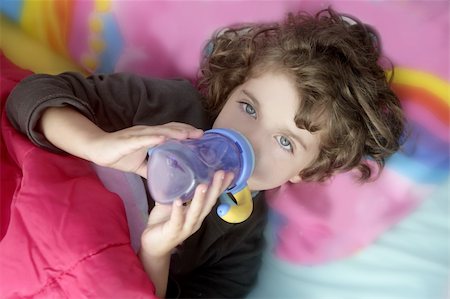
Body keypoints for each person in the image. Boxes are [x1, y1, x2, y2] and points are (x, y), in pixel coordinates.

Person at [5, 8, 404, 299]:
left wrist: (155, 253)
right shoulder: (170, 108)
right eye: (248, 107)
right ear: (232, 88)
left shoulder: (237, 244)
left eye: (285, 142)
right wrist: (97, 144)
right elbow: (30, 97)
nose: (246, 136)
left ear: (307, 171)